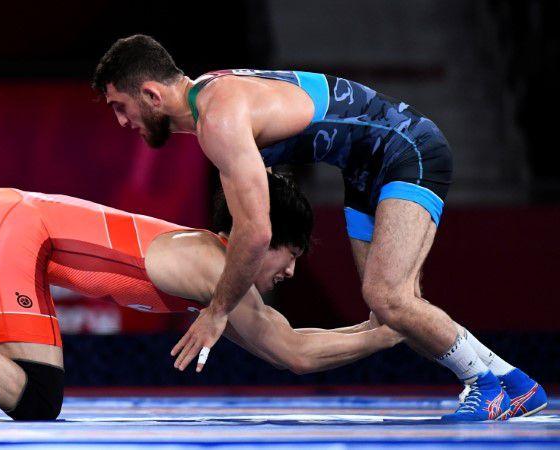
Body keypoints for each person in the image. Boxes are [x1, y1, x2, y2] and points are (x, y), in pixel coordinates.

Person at [92, 34, 547, 421]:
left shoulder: (218, 118)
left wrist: (217, 311)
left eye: (121, 106)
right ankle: (502, 378)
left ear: (152, 95)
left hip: (407, 149)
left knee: (389, 298)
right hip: (367, 166)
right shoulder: (211, 98)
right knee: (387, 310)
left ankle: (497, 382)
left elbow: (255, 233)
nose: (121, 122)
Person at [0, 176, 401, 421]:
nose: (290, 270)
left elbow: (280, 338)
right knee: (38, 396)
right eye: (289, 254)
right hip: (10, 228)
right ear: (259, 239)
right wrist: (390, 328)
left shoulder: (202, 256)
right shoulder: (217, 268)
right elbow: (290, 350)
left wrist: (370, 327)